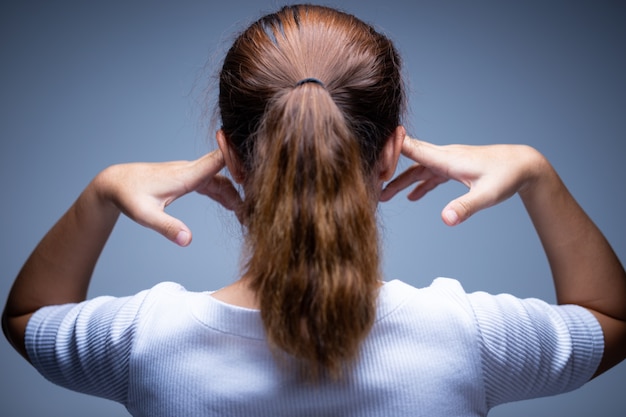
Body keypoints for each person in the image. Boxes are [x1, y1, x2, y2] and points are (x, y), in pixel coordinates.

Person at [2, 4, 625, 416]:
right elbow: (610, 320)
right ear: (389, 153)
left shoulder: (147, 340)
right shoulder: (465, 336)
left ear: (230, 158)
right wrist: (536, 172)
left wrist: (103, 189)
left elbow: (27, 317)